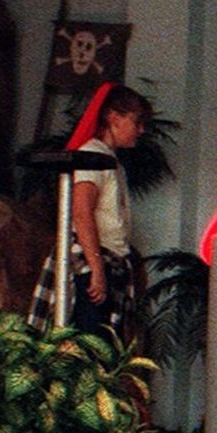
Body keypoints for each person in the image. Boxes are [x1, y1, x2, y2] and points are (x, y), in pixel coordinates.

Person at [27, 82, 152, 340]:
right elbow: (82, 213)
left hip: (108, 262)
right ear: (113, 117)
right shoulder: (91, 155)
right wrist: (96, 268)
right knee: (87, 345)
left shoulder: (110, 160)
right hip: (91, 264)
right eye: (137, 121)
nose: (141, 130)